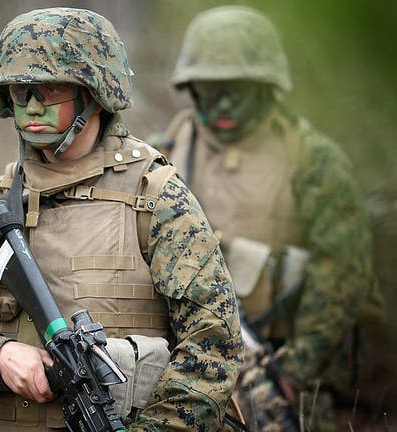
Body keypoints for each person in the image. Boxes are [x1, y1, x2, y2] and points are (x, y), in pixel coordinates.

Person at [0, 7, 243, 431]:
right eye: (18, 91)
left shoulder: (155, 197)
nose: (30, 106)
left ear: (94, 93)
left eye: (48, 91)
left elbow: (214, 346)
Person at [151, 6, 382, 431]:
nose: (222, 104)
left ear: (267, 88)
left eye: (238, 90)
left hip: (289, 370)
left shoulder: (314, 161)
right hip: (192, 366)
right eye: (209, 88)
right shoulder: (162, 154)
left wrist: (297, 370)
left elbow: (342, 275)